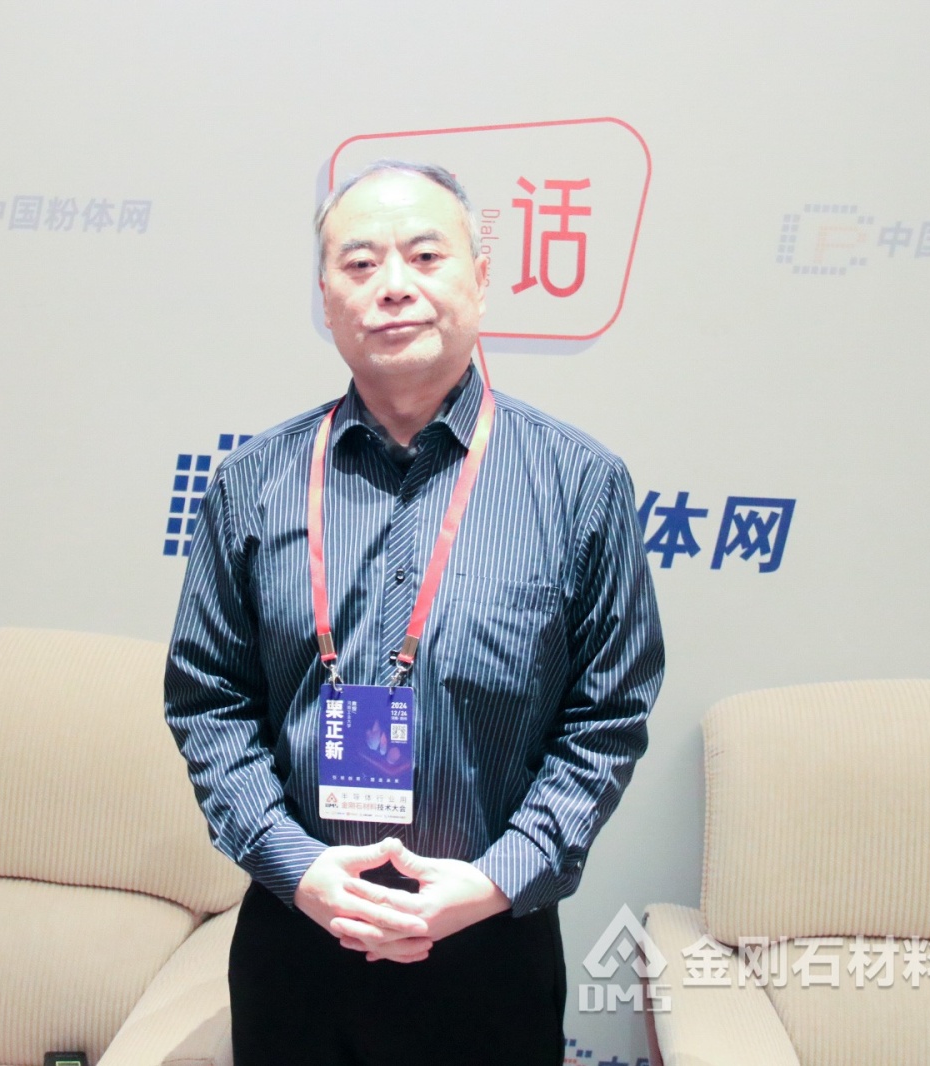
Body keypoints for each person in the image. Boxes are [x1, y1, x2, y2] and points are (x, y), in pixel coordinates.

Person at [165, 159, 664, 1066]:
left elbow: (607, 719)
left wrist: (496, 879)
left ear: (482, 276)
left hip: (490, 944)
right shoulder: (253, 484)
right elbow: (209, 703)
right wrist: (295, 866)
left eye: (426, 256)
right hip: (297, 940)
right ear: (326, 298)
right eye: (360, 264)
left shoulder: (579, 486)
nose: (393, 286)